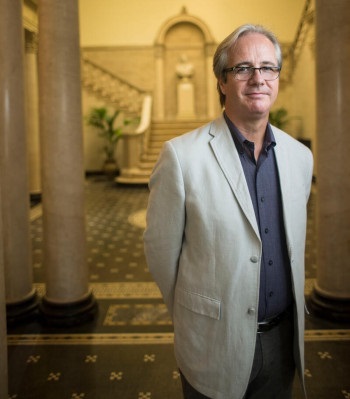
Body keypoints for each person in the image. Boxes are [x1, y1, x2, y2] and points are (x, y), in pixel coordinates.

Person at [143, 24, 313, 399]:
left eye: (268, 68)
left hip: (283, 342)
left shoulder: (300, 157)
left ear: (278, 78)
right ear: (222, 80)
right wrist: (197, 314)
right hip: (212, 343)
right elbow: (160, 255)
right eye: (243, 68)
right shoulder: (182, 157)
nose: (258, 78)